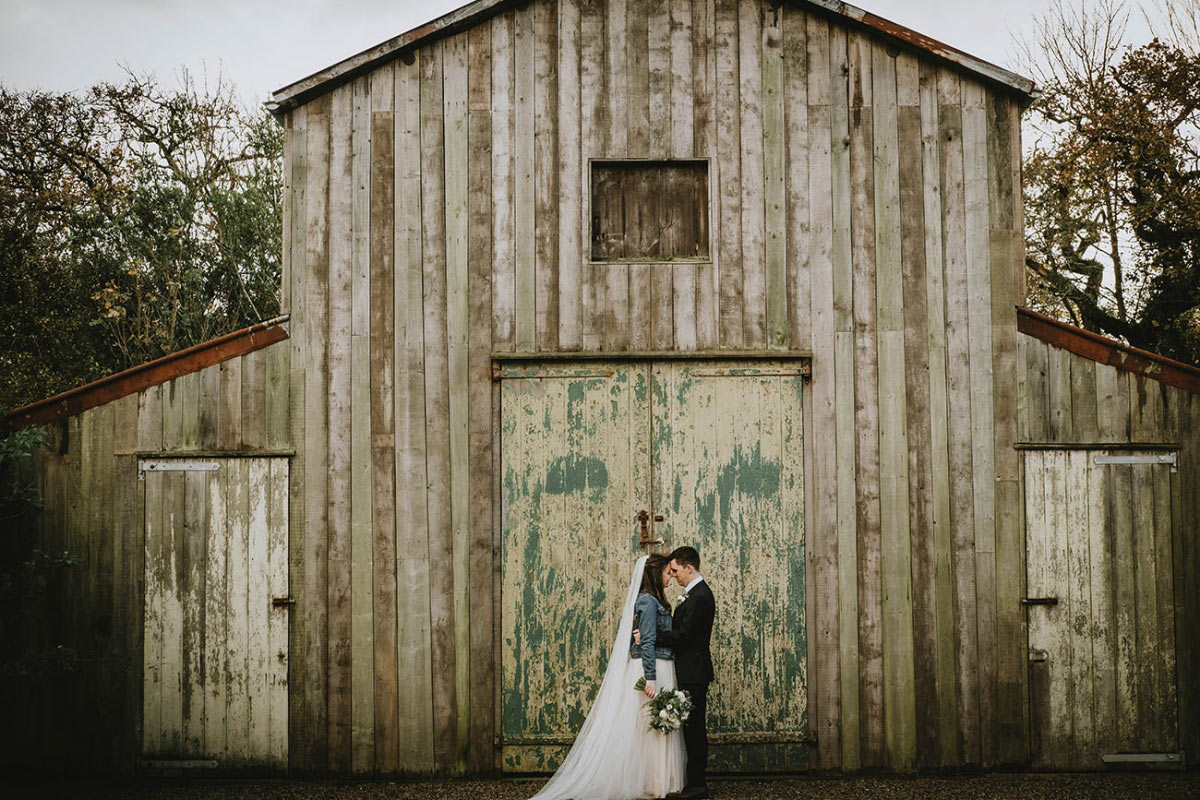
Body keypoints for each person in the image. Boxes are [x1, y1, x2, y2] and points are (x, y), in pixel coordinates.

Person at [529, 554, 686, 800]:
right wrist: (651, 678)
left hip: (661, 664)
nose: (671, 577)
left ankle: (658, 781)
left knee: (656, 724)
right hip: (651, 667)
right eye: (668, 573)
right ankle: (651, 781)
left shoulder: (656, 600)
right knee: (648, 724)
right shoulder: (646, 600)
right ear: (656, 574)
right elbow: (647, 643)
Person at [652, 546, 715, 800]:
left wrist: (651, 637)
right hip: (688, 669)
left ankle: (698, 785)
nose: (674, 576)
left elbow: (684, 636)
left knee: (694, 728)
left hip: (694, 671)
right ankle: (693, 782)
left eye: (676, 570)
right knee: (690, 727)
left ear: (689, 568)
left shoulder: (700, 597)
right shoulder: (693, 593)